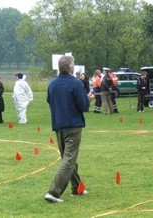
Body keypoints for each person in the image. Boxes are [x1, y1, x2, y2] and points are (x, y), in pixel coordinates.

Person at [45, 55, 94, 203]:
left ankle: (77, 187)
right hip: (73, 125)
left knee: (68, 157)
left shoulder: (52, 84)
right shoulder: (75, 83)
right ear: (71, 68)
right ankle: (54, 192)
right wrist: (89, 98)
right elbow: (84, 106)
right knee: (69, 159)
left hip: (58, 125)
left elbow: (49, 100)